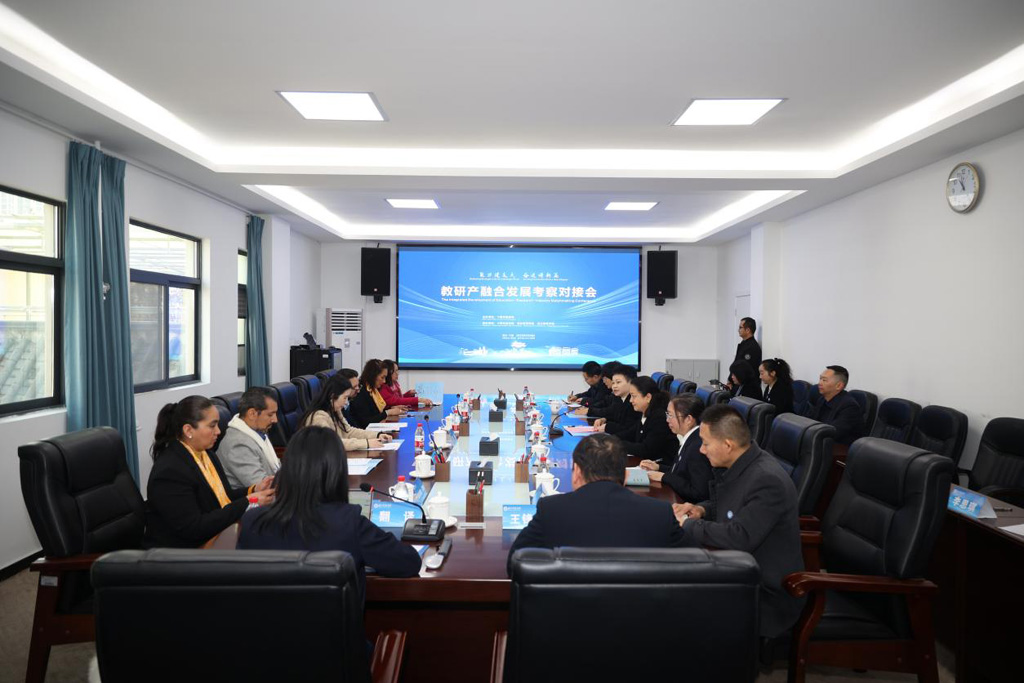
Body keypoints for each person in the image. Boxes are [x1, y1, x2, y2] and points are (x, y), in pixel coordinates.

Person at [238, 426, 421, 598]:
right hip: (334, 623)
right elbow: (408, 562)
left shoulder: (252, 521)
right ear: (337, 472)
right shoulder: (349, 522)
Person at [673, 404, 804, 638]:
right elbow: (733, 506)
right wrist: (700, 510)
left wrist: (688, 524)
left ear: (727, 445)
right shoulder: (742, 464)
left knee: (677, 602)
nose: (701, 450)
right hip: (738, 572)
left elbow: (739, 536)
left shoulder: (766, 480)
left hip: (764, 593)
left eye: (705, 443)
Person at [507, 434, 684, 575]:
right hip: (639, 609)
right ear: (625, 475)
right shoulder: (660, 513)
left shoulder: (552, 510)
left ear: (577, 472)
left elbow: (515, 563)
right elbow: (694, 567)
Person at [145, 396, 274, 548]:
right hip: (181, 551)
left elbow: (224, 497)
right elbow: (193, 528)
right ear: (188, 430)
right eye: (212, 426)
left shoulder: (207, 455)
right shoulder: (170, 471)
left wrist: (254, 489)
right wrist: (249, 501)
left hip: (213, 535)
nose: (218, 431)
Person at [639, 394, 713, 503]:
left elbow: (698, 493)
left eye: (671, 415)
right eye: (667, 414)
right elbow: (681, 472)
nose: (667, 420)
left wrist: (664, 477)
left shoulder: (697, 447)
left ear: (688, 419)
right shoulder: (690, 438)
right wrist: (658, 467)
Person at [300, 373, 393, 452]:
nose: (346, 402)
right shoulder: (318, 417)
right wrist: (366, 443)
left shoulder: (335, 410)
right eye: (344, 398)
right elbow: (331, 443)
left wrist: (377, 435)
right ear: (333, 396)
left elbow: (348, 431)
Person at [598, 376, 676, 460]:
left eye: (633, 396)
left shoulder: (659, 418)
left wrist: (617, 444)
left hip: (659, 465)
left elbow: (646, 449)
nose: (631, 400)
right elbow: (630, 433)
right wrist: (609, 439)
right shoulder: (646, 412)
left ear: (648, 397)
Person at [218, 387, 281, 489]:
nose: (275, 420)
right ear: (252, 414)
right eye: (270, 414)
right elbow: (263, 486)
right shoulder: (238, 445)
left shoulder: (258, 431)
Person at [809, 365, 864, 445]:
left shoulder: (849, 406)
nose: (819, 383)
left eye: (824, 380)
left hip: (840, 448)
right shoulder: (822, 399)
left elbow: (833, 433)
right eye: (820, 379)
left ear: (839, 386)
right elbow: (811, 421)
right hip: (821, 442)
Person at [348, 359, 407, 428]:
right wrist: (388, 412)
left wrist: (391, 409)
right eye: (382, 377)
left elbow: (375, 413)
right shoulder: (360, 393)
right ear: (373, 376)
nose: (384, 381)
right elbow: (366, 421)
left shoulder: (373, 391)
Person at [584, 366, 640, 435]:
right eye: (613, 383)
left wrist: (607, 427)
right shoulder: (619, 398)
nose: (614, 386)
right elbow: (615, 417)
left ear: (631, 382)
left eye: (618, 382)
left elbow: (628, 429)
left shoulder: (634, 402)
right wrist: (604, 419)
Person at [728, 317, 762, 393]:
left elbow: (744, 369)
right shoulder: (743, 344)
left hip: (747, 388)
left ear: (748, 330)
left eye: (740, 327)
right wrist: (730, 379)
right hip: (738, 384)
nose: (738, 330)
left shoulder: (752, 347)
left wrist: (732, 379)